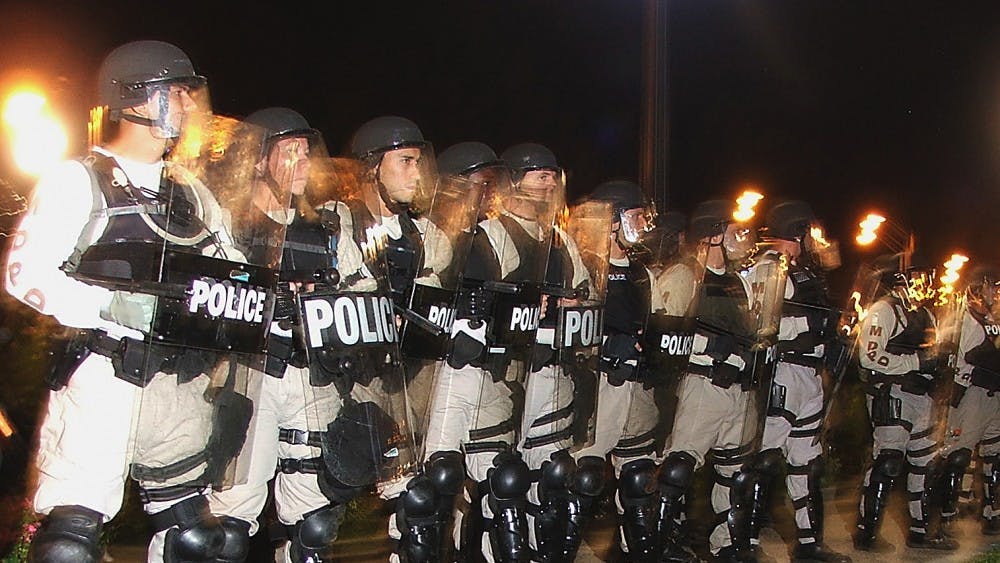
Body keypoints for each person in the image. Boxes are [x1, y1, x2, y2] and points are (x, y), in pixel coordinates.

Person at [5, 40, 262, 562]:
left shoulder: (189, 191)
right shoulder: (80, 179)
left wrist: (264, 296)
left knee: (197, 540)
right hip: (104, 377)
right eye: (178, 93)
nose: (191, 107)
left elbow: (229, 271)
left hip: (176, 387)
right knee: (69, 547)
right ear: (137, 100)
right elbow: (21, 274)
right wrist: (109, 306)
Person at [205, 107, 351, 562]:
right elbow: (205, 294)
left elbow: (362, 292)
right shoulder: (228, 224)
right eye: (290, 152)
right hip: (251, 376)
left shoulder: (327, 229)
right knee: (226, 527)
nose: (304, 163)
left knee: (315, 524)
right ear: (258, 161)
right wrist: (265, 296)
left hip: (311, 377)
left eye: (306, 152)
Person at [430, 142, 561, 562]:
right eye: (479, 183)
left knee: (503, 479)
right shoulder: (431, 236)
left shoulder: (495, 237)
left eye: (492, 183)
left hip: (490, 372)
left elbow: (509, 299)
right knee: (433, 488)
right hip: (441, 376)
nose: (487, 193)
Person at [571, 181, 700, 562]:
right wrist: (606, 346)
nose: (644, 225)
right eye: (637, 216)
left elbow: (653, 325)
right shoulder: (585, 264)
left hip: (635, 388)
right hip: (598, 388)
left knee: (640, 477)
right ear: (611, 219)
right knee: (583, 478)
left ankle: (638, 553)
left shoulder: (642, 272)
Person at [657, 200, 768, 563]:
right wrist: (709, 348)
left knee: (735, 474)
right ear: (713, 235)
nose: (742, 239)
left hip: (738, 389)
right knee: (678, 470)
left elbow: (751, 329)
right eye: (734, 231)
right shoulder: (684, 275)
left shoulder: (739, 282)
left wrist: (754, 351)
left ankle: (725, 545)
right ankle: (661, 542)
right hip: (702, 384)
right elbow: (662, 336)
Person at [740, 201, 850, 563]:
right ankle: (745, 543)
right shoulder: (769, 267)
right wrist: (807, 327)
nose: (816, 239)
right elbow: (756, 323)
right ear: (796, 231)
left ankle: (808, 543)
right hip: (782, 372)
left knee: (807, 462)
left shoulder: (804, 273)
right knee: (764, 460)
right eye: (809, 231)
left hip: (808, 375)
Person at [852, 256, 956, 551]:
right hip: (892, 394)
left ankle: (921, 531)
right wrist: (915, 361)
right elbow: (869, 357)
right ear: (901, 278)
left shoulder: (925, 313)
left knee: (926, 465)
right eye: (920, 275)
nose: (926, 283)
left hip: (922, 396)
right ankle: (866, 533)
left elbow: (931, 352)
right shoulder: (883, 310)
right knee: (888, 463)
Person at [932, 267, 1000, 538]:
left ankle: (992, 512)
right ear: (977, 288)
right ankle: (945, 518)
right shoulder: (966, 319)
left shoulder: (990, 318)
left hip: (994, 394)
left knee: (995, 455)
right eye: (991, 286)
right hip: (972, 394)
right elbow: (961, 359)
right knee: (958, 455)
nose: (995, 292)